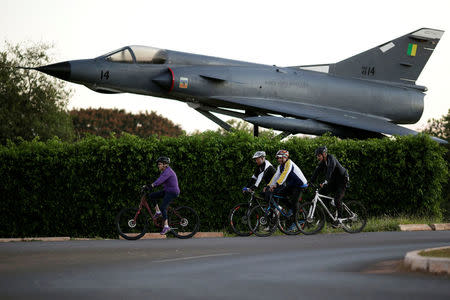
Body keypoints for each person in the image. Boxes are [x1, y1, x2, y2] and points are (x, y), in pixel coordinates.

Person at [310, 146, 349, 225]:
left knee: (337, 199)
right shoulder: (323, 162)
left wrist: (326, 181)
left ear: (324, 154)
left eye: (319, 155)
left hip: (342, 180)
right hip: (334, 181)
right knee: (323, 192)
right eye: (317, 156)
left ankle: (339, 219)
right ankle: (331, 214)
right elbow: (316, 172)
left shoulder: (331, 158)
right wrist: (310, 182)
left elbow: (330, 170)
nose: (318, 157)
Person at [264, 150, 308, 217]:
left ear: (285, 157)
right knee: (280, 194)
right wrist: (268, 186)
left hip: (300, 185)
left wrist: (276, 184)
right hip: (292, 185)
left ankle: (295, 219)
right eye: (278, 158)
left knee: (294, 202)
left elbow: (284, 174)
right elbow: (275, 177)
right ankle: (291, 209)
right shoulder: (280, 166)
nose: (279, 159)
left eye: (280, 158)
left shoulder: (289, 163)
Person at [143, 156, 180, 235]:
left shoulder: (168, 172)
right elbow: (159, 181)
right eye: (158, 164)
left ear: (165, 165)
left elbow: (160, 181)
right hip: (167, 191)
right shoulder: (164, 171)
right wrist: (149, 186)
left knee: (163, 206)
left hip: (172, 192)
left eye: (159, 164)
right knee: (151, 195)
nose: (158, 166)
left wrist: (151, 185)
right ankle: (158, 212)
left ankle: (166, 226)